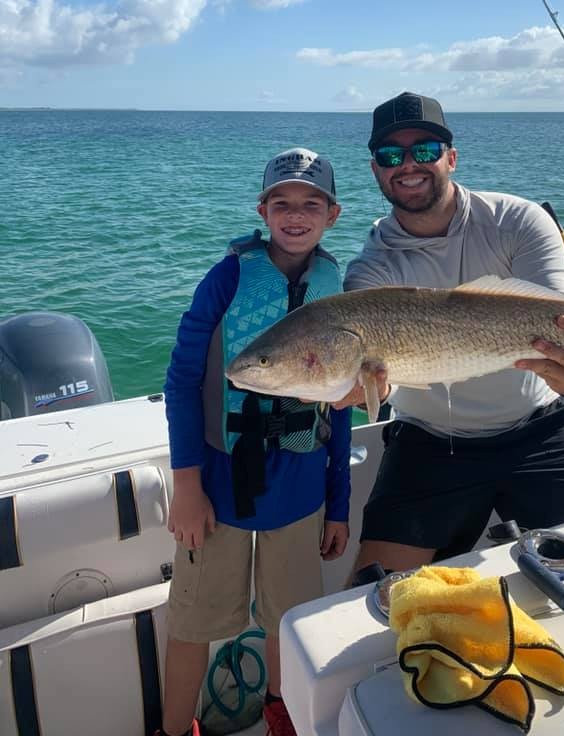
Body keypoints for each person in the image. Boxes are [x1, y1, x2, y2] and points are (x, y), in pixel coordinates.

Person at [342, 91, 564, 576]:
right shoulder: (373, 266)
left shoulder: (517, 220)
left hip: (538, 428)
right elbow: (370, 373)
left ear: (451, 158)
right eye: (391, 155)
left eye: (425, 151)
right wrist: (359, 387)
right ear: (376, 171)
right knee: (372, 596)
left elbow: (559, 322)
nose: (408, 164)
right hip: (428, 442)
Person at [160, 148, 351, 736]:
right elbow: (182, 381)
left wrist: (338, 505)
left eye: (310, 204)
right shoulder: (227, 278)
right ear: (263, 210)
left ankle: (280, 717)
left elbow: (339, 411)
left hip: (299, 491)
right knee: (193, 621)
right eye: (282, 204)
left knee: (286, 621)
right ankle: (173, 728)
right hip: (219, 487)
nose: (296, 216)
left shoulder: (335, 285)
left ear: (332, 214)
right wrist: (187, 488)